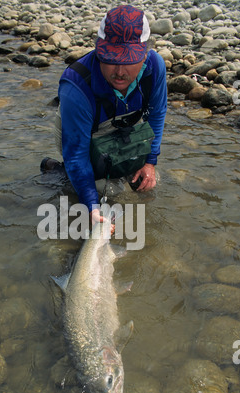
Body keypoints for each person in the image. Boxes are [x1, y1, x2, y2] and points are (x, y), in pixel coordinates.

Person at [41, 5, 167, 227]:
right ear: (99, 50)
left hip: (124, 121)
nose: (119, 71)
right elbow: (77, 154)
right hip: (83, 129)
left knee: (144, 184)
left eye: (128, 60)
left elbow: (157, 115)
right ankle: (60, 172)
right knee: (97, 187)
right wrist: (91, 206)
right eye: (110, 58)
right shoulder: (76, 86)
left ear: (145, 54)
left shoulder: (155, 68)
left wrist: (150, 162)